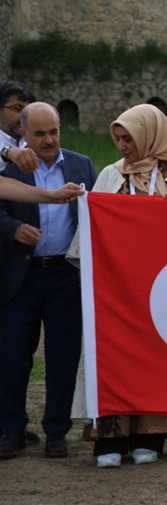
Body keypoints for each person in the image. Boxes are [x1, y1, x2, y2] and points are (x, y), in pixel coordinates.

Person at [87, 103, 167, 468]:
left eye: (129, 138)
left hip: (163, 284)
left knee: (156, 358)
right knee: (115, 356)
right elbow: (93, 227)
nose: (122, 146)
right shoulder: (109, 174)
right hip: (117, 286)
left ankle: (151, 434)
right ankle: (109, 440)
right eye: (117, 138)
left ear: (149, 134)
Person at [0, 103, 96, 460]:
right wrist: (13, 229)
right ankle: (11, 429)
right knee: (12, 355)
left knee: (63, 355)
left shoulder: (81, 164)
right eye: (39, 133)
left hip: (65, 275)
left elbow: (98, 209)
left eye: (53, 131)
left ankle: (57, 432)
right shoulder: (9, 168)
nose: (48, 140)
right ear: (22, 134)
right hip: (20, 275)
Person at [0, 80, 39, 173]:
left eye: (28, 110)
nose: (25, 116)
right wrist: (7, 154)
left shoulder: (30, 141)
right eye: (17, 109)